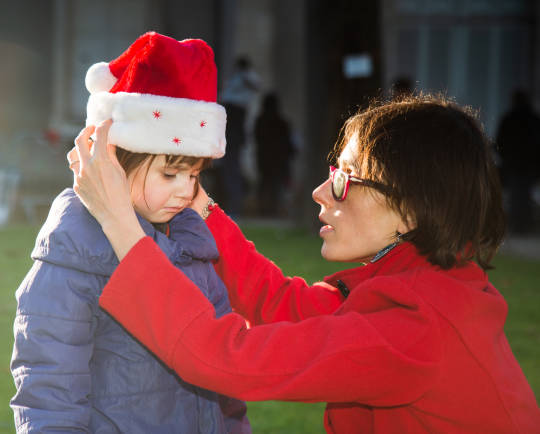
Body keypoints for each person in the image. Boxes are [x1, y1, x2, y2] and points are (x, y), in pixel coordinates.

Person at [70, 94, 540, 433]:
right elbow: (281, 303)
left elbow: (223, 358)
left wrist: (119, 222)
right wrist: (197, 204)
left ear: (413, 209)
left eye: (344, 180)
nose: (320, 192)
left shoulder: (416, 327)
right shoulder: (428, 288)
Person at [10, 32, 249, 433]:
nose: (185, 191)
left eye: (193, 175)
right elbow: (49, 389)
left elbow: (223, 384)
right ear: (113, 162)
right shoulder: (74, 255)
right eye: (169, 173)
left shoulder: (192, 246)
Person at [217, 56, 261, 217]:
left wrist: (244, 75)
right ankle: (232, 205)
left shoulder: (246, 77)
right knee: (228, 170)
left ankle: (235, 207)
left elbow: (256, 85)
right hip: (230, 124)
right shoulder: (235, 79)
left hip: (234, 125)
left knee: (232, 169)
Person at [496, 89, 540, 234]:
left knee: (517, 197)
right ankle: (525, 225)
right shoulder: (533, 119)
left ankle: (518, 225)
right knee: (523, 196)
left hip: (514, 165)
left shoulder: (509, 119)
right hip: (528, 167)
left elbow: (499, 143)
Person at [253, 92, 296, 216]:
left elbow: (257, 138)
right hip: (278, 160)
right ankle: (275, 210)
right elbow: (288, 142)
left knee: (265, 184)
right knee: (276, 185)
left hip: (264, 159)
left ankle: (264, 210)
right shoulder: (282, 122)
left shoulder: (260, 121)